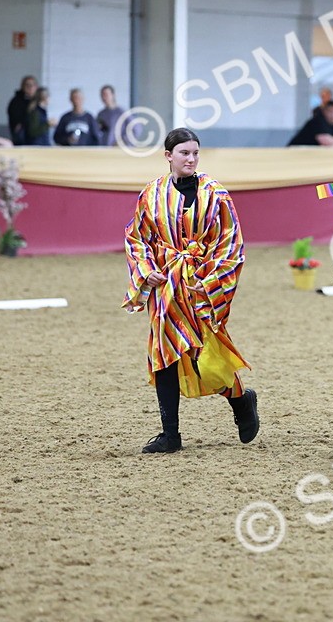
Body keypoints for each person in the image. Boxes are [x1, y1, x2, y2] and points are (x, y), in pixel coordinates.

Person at [123, 127, 259, 454]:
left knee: (205, 359)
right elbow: (136, 237)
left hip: (201, 288)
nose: (191, 158)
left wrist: (210, 279)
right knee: (164, 355)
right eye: (184, 153)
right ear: (168, 155)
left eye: (195, 152)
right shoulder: (151, 194)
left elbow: (231, 244)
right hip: (166, 285)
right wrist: (146, 271)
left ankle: (241, 400)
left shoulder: (216, 194)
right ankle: (170, 434)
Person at [7, 75, 38, 145]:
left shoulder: (38, 101)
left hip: (37, 137)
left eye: (32, 85)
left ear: (36, 87)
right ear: (23, 87)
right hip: (23, 138)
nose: (30, 87)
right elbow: (15, 119)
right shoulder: (16, 101)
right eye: (27, 85)